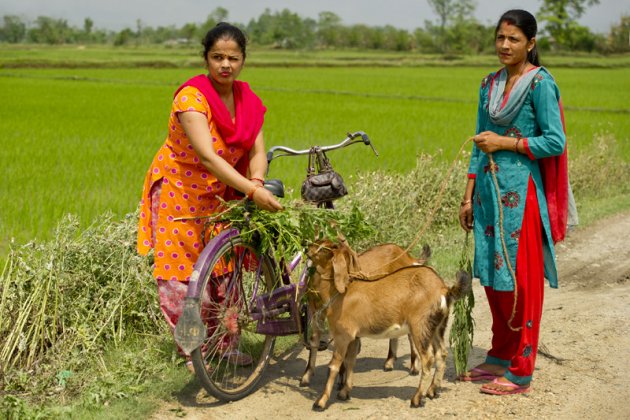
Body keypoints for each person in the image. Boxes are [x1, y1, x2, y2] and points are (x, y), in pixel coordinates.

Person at [137, 23, 283, 371]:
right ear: (206, 58)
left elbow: (259, 151)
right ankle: (192, 348)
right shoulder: (191, 97)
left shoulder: (248, 100)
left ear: (243, 60)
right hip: (180, 191)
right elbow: (207, 156)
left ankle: (226, 344)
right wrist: (252, 190)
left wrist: (258, 179)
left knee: (225, 269)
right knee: (182, 277)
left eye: (233, 58)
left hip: (221, 193)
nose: (225, 64)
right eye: (217, 57)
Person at [458, 9, 568, 395]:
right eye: (500, 38)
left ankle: (521, 368)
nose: (505, 45)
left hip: (523, 198)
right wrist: (467, 196)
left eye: (514, 39)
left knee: (522, 282)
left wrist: (507, 143)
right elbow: (477, 139)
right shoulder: (488, 84)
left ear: (531, 44)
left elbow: (555, 141)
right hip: (488, 195)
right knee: (493, 278)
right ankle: (500, 353)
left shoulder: (541, 85)